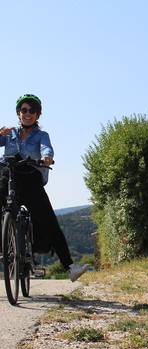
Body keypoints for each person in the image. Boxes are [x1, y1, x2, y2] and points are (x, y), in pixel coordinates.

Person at [0, 94, 88, 282]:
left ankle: (70, 267)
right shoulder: (9, 133)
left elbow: (46, 148)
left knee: (49, 220)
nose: (28, 114)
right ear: (18, 113)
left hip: (31, 179)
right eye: (24, 110)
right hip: (9, 178)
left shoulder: (41, 135)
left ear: (38, 115)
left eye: (32, 111)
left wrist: (47, 157)